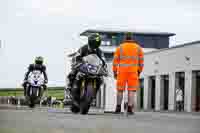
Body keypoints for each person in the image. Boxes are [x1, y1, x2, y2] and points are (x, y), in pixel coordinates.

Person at [112, 32, 144, 115]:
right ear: (132, 38)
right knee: (131, 90)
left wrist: (115, 72)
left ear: (125, 38)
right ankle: (130, 108)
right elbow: (141, 62)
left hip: (122, 72)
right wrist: (139, 71)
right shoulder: (138, 48)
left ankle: (118, 108)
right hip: (133, 72)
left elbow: (115, 61)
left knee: (120, 90)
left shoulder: (120, 48)